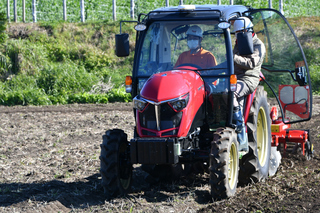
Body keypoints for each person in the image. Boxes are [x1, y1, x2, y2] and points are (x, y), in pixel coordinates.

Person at [232, 17, 266, 152]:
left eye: (240, 33)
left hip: (248, 78)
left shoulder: (258, 45)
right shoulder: (238, 43)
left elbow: (251, 64)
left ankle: (241, 135)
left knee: (232, 92)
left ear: (248, 31)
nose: (237, 36)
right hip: (234, 77)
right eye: (236, 33)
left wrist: (232, 57)